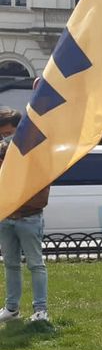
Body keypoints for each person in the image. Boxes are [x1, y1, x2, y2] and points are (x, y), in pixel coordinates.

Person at [0, 137, 50, 323]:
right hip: (5, 220)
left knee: (36, 265)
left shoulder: (37, 171)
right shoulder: (4, 172)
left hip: (29, 220)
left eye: (6, 155)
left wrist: (14, 202)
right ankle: (12, 309)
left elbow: (40, 200)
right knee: (10, 264)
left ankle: (40, 310)